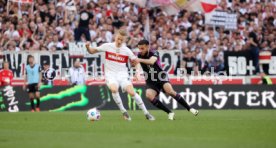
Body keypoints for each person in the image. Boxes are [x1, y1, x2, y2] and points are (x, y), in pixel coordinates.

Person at [86, 30, 154, 121]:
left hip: (123, 74)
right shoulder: (107, 46)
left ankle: (146, 113)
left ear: (124, 40)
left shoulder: (126, 50)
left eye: (121, 40)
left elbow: (137, 62)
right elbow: (91, 51)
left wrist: (137, 73)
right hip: (110, 74)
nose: (119, 41)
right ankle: (124, 112)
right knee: (114, 89)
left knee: (132, 92)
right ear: (115, 37)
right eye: (118, 39)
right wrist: (87, 47)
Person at [135, 39, 199, 120]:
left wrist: (139, 60)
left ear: (147, 47)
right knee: (149, 95)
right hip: (150, 79)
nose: (140, 50)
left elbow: (151, 61)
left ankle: (190, 108)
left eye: (142, 48)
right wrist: (137, 72)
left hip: (161, 76)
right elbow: (137, 64)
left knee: (169, 91)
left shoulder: (154, 53)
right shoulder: (139, 55)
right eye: (139, 48)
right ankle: (170, 112)